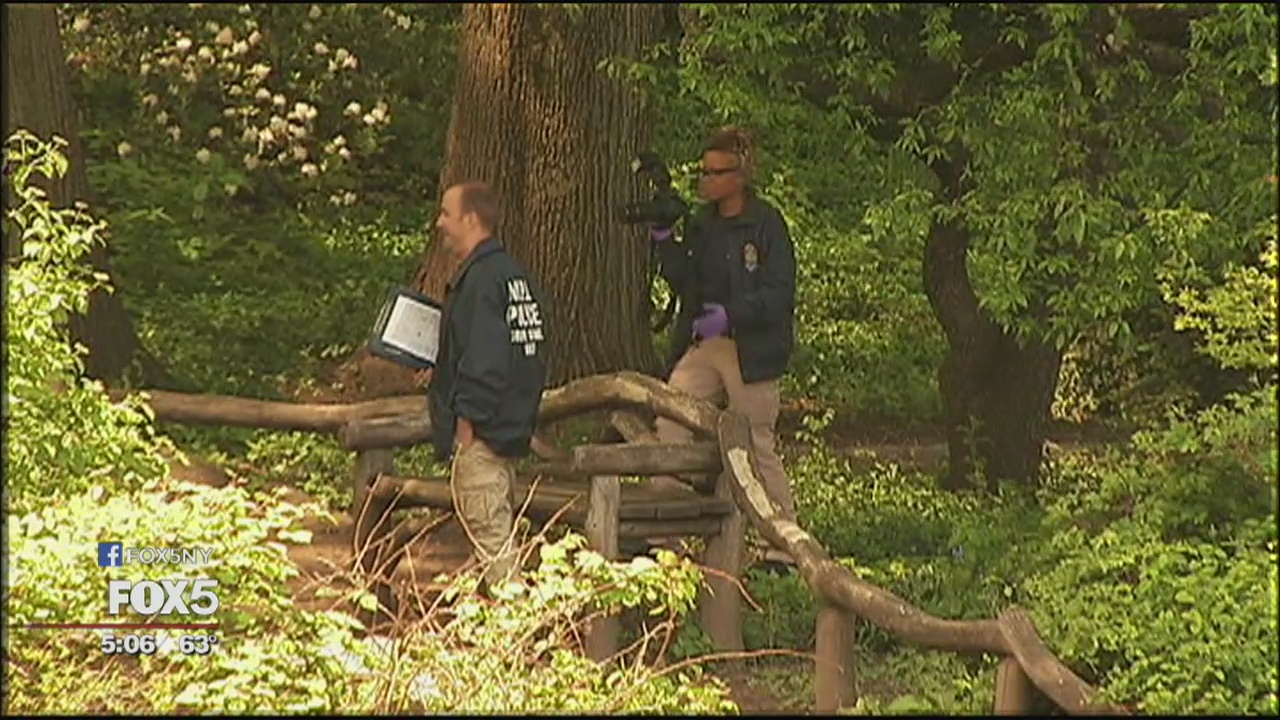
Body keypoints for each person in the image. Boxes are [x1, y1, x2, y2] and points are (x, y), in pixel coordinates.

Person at [648, 127, 799, 570]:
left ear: (740, 175)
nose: (706, 180)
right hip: (706, 342)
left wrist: (734, 314)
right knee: (672, 417)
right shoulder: (704, 224)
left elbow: (779, 293)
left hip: (751, 347)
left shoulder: (767, 225)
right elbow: (684, 280)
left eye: (716, 172)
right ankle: (664, 534)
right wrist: (663, 241)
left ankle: (781, 545)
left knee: (756, 439)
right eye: (703, 172)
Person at [420, 180, 549, 593]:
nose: (440, 223)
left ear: (470, 219)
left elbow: (487, 362)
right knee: (491, 545)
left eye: (446, 214)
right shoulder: (516, 277)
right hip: (510, 435)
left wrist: (466, 431)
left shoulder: (480, 281)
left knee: (496, 557)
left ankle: (519, 646)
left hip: (483, 442)